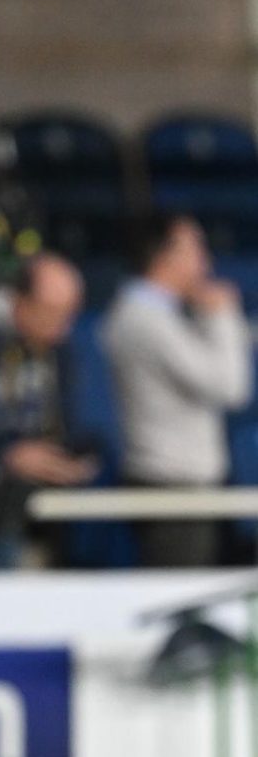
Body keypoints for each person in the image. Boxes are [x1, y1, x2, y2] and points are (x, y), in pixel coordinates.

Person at [103, 213, 253, 566]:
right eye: (196, 248)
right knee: (180, 602)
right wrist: (222, 315)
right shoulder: (144, 318)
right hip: (171, 487)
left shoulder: (161, 314)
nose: (207, 261)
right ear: (166, 255)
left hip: (185, 484)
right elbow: (230, 387)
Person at [0, 252, 101, 567]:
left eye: (70, 315)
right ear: (19, 300)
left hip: (35, 510)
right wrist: (6, 455)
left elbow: (69, 424)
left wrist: (68, 456)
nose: (62, 330)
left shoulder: (59, 349)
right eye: (53, 314)